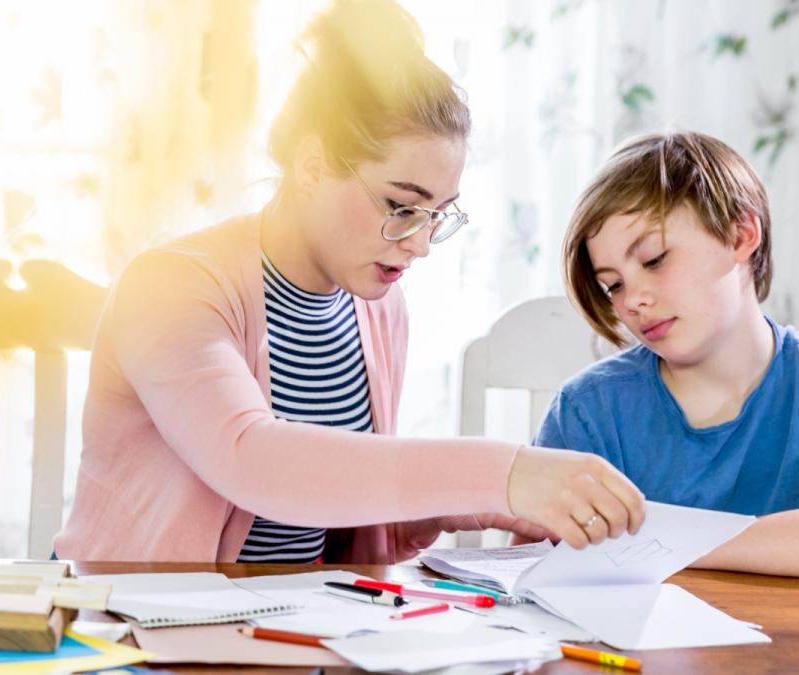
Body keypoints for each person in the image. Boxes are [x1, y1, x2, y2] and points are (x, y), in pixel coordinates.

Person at [54, 0, 645, 563]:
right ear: (312, 168)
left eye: (437, 215)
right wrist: (507, 473)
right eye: (401, 205)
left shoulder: (378, 306)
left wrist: (467, 505)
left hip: (272, 630)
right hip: (124, 637)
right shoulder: (170, 286)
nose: (418, 244)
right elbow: (252, 460)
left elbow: (326, 512)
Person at [533, 130, 799, 581]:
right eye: (613, 284)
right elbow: (541, 576)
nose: (632, 300)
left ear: (740, 235)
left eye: (653, 259)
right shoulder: (586, 411)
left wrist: (653, 541)